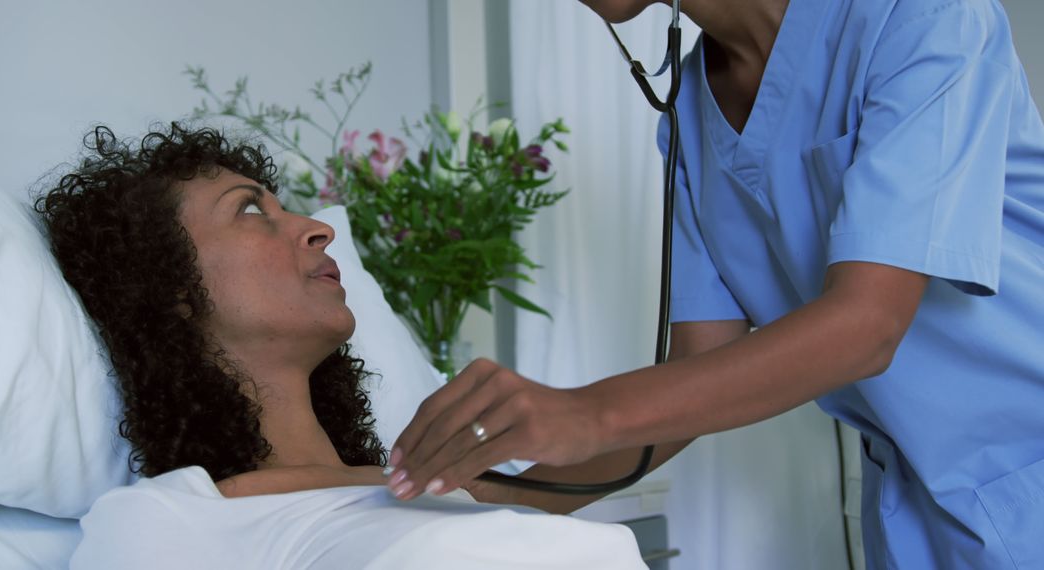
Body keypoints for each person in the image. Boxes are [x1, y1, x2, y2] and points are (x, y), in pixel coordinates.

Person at [388, 0, 1044, 568]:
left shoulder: (922, 19)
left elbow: (866, 326)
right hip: (916, 515)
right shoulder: (692, 112)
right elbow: (701, 370)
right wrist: (496, 495)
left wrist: (584, 412)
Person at [36, 123, 647, 569]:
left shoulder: (433, 484)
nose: (320, 229)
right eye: (250, 210)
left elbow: (659, 426)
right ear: (167, 285)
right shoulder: (170, 519)